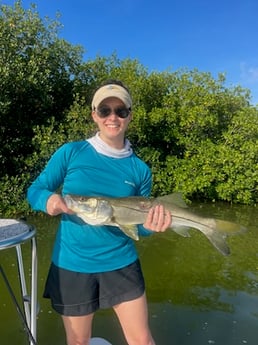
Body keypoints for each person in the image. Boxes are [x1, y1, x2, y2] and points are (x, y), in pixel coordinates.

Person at [27, 80, 172, 345]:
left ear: (130, 115)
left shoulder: (141, 170)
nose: (113, 117)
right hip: (72, 264)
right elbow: (35, 190)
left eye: (121, 111)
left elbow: (136, 227)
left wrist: (150, 227)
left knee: (142, 340)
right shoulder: (71, 152)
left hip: (121, 262)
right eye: (105, 110)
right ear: (94, 115)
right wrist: (48, 200)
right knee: (79, 342)